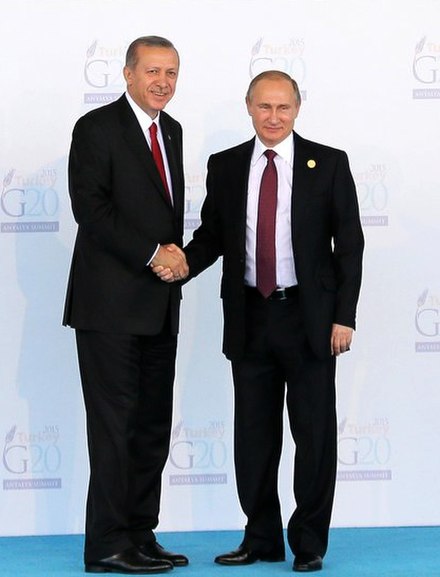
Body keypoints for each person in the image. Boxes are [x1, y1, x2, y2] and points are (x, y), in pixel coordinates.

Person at [154, 70, 364, 572]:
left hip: (310, 321)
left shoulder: (329, 164)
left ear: (297, 109)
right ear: (249, 106)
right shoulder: (225, 166)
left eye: (283, 108)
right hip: (250, 318)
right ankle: (261, 536)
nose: (273, 117)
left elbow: (350, 246)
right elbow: (212, 235)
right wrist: (181, 262)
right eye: (264, 107)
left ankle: (308, 541)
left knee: (313, 436)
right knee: (253, 437)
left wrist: (344, 317)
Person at [63, 36, 190, 574]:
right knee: (114, 429)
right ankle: (108, 544)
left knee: (151, 426)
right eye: (153, 71)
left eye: (172, 72)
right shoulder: (96, 128)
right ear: (128, 74)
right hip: (109, 308)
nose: (162, 81)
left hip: (159, 307)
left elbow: (164, 216)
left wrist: (170, 262)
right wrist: (151, 254)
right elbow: (90, 208)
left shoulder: (173, 131)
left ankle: (140, 532)